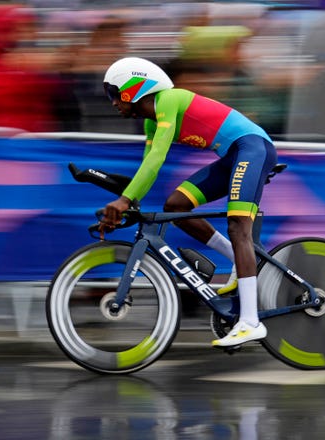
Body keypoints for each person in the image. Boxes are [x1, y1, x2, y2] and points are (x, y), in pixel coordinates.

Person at [100, 57, 277, 347]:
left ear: (133, 88)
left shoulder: (169, 100)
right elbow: (148, 167)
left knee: (238, 227)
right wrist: (127, 203)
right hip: (234, 155)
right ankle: (239, 259)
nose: (112, 102)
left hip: (253, 148)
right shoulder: (150, 124)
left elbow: (157, 160)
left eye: (113, 93)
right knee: (175, 206)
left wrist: (124, 200)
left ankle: (249, 321)